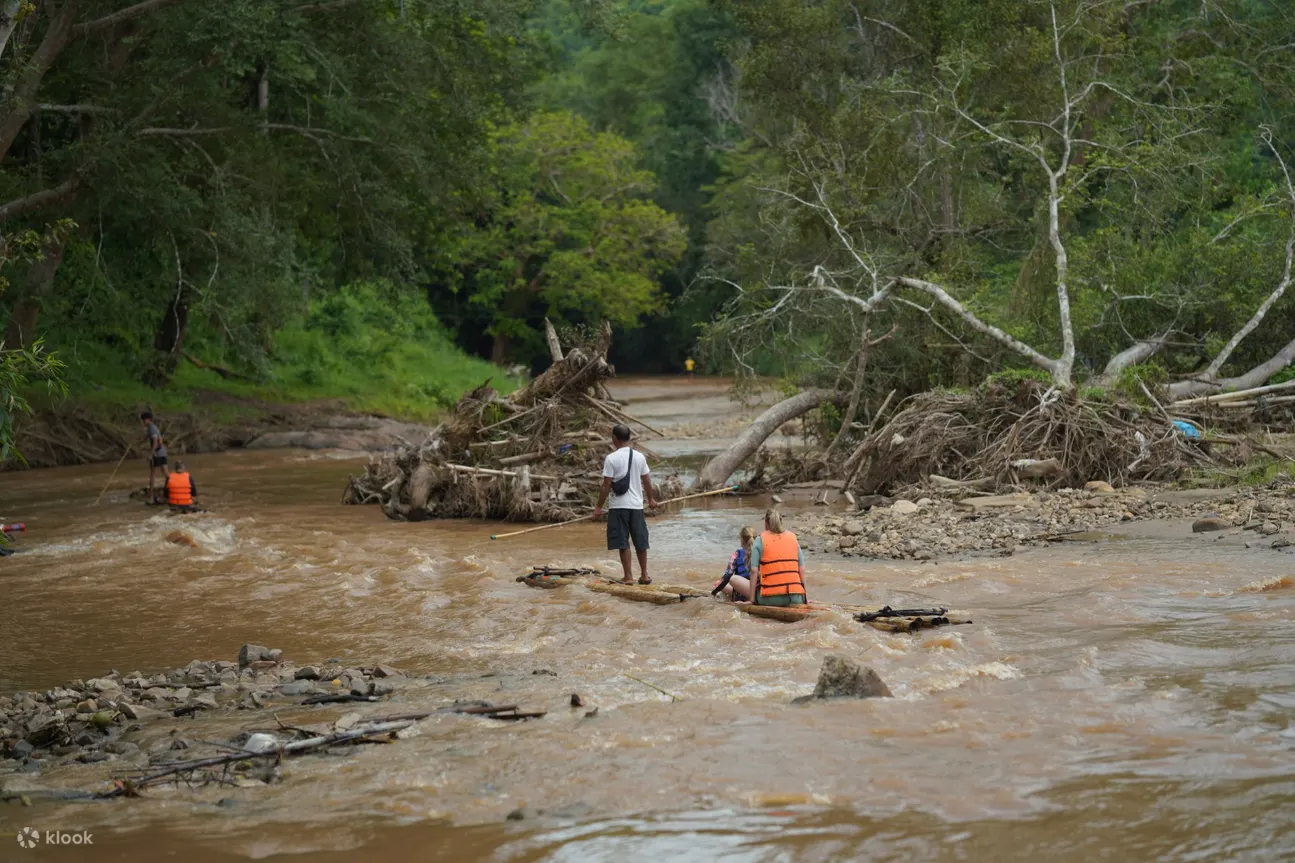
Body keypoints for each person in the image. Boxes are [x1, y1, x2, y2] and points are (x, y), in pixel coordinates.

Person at [592, 424, 659, 585]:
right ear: (629, 438)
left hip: (618, 506)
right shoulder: (639, 457)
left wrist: (599, 507)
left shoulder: (611, 458)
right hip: (637, 506)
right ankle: (644, 575)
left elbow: (606, 485)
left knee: (623, 542)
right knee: (640, 541)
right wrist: (650, 500)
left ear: (614, 438)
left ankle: (628, 576)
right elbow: (647, 480)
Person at [743, 508, 808, 607]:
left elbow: (754, 571)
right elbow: (802, 570)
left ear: (765, 524)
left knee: (737, 582)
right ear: (781, 522)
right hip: (796, 598)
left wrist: (752, 600)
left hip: (770, 599)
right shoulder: (793, 537)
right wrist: (805, 599)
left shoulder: (760, 540)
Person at [714, 525, 755, 601]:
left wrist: (714, 591)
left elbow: (727, 575)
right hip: (758, 590)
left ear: (741, 541)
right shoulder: (761, 551)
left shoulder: (737, 554)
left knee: (718, 583)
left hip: (744, 594)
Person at [140, 411, 169, 502]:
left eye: (144, 420)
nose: (143, 422)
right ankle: (169, 490)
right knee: (166, 473)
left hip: (157, 453)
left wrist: (151, 454)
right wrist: (138, 442)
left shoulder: (152, 428)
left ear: (148, 420)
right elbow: (149, 437)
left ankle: (151, 493)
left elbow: (155, 441)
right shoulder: (152, 428)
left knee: (153, 473)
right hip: (162, 452)